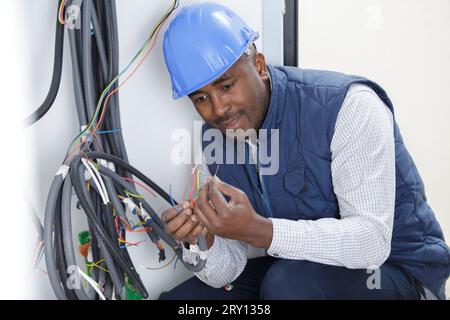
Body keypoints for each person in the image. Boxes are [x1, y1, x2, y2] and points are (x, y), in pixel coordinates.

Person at [159, 2, 450, 300]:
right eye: (201, 98)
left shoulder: (349, 106)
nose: (219, 109)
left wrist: (261, 231)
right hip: (297, 270)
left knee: (287, 285)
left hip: (398, 271)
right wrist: (201, 238)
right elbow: (228, 271)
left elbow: (372, 242)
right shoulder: (214, 142)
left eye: (227, 86)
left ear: (258, 65)